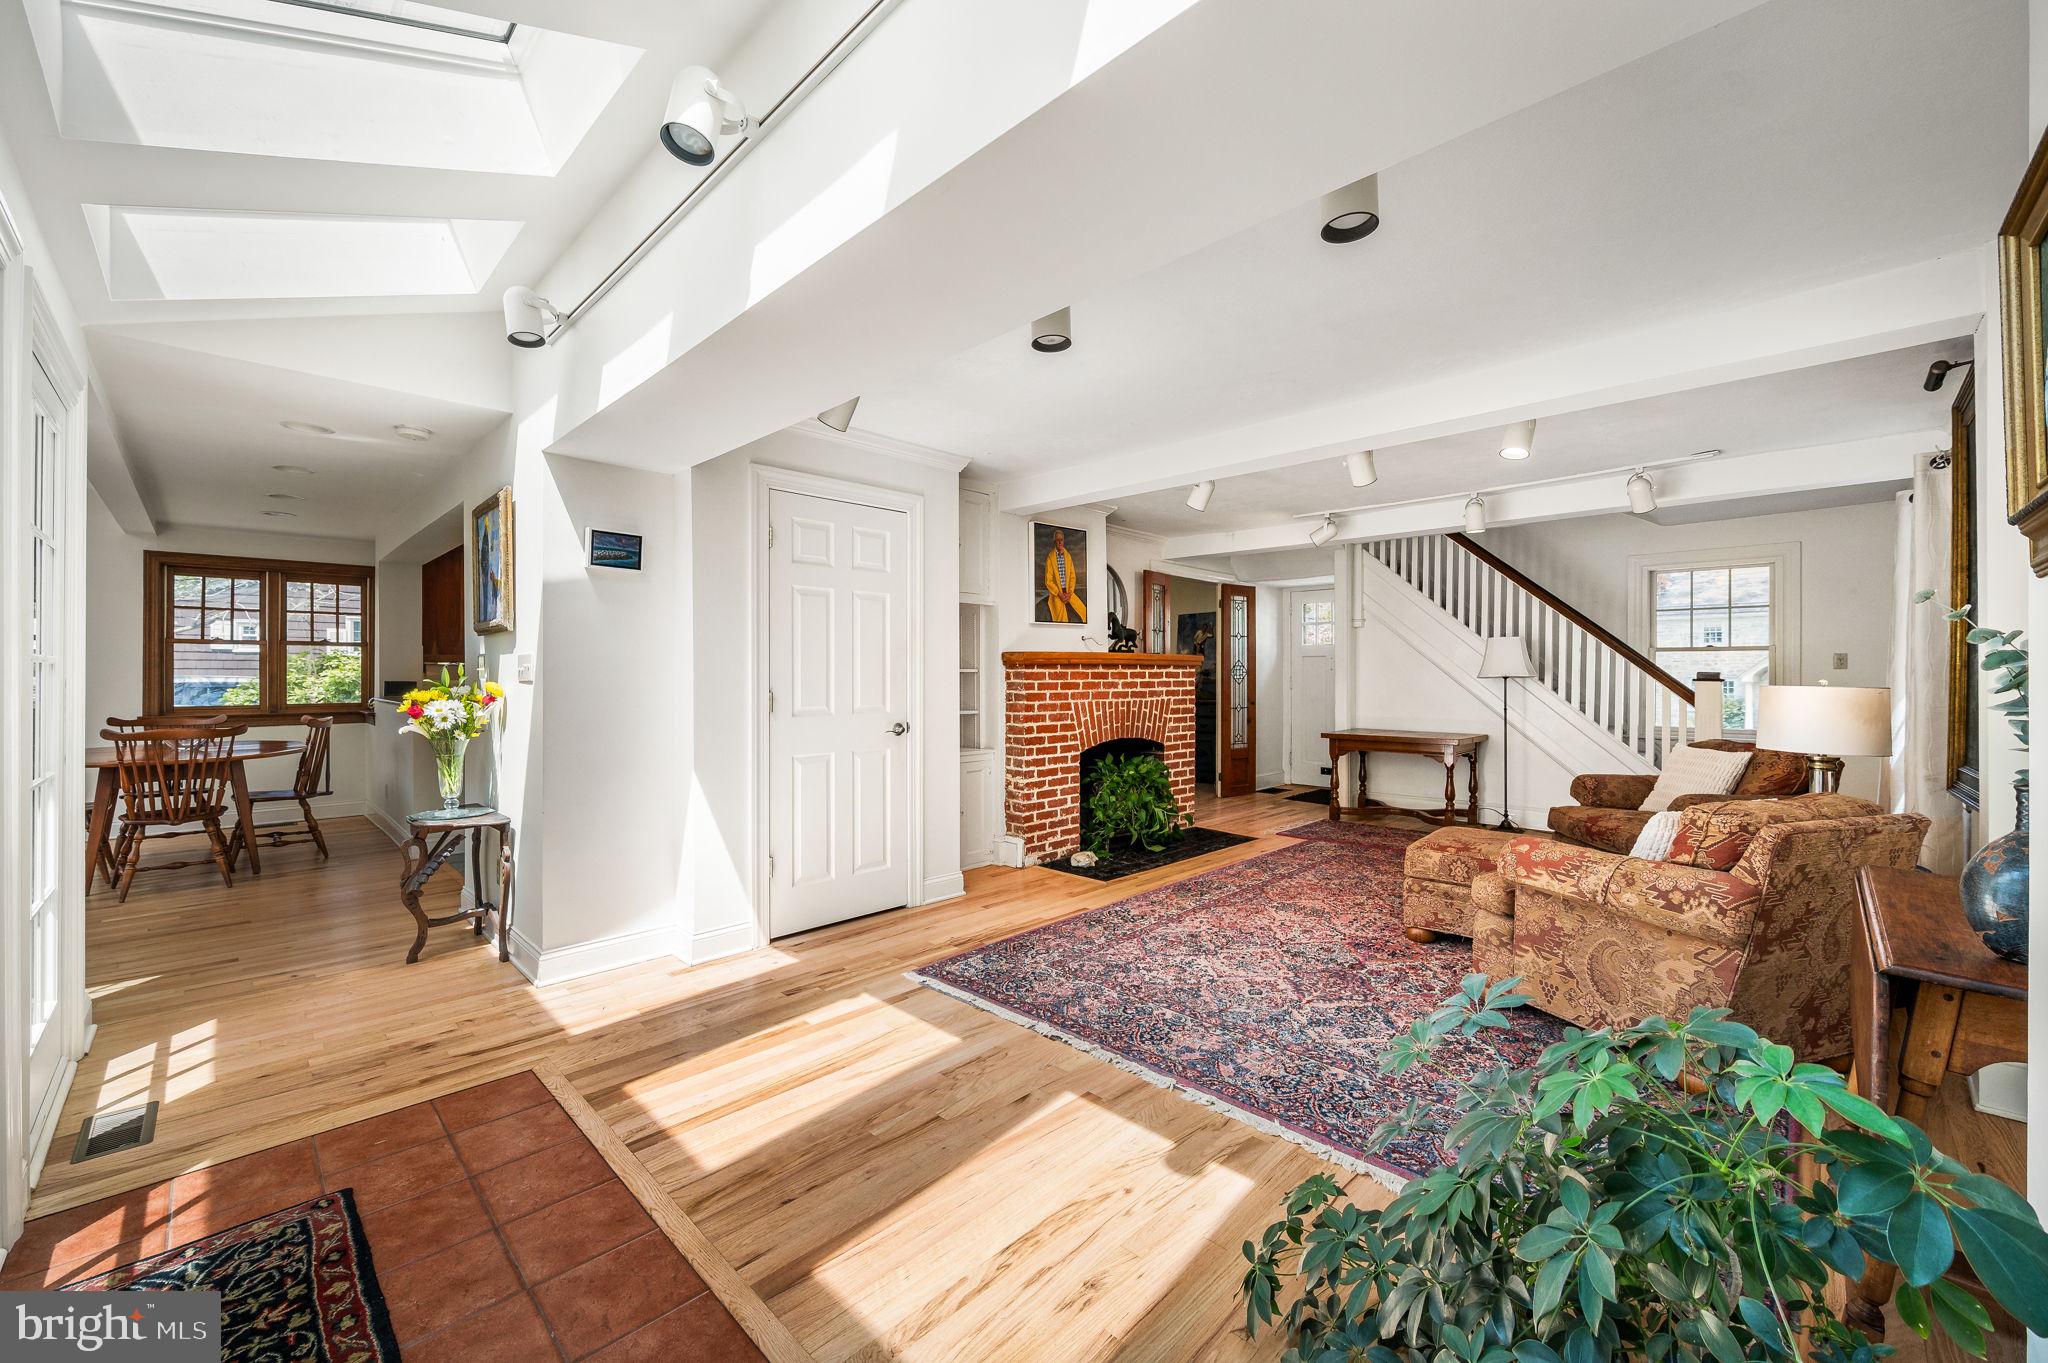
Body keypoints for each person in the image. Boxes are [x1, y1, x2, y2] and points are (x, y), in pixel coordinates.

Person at [1042, 528, 1085, 622]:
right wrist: (1059, 594)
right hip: (1057, 593)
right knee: (1060, 618)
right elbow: (1048, 581)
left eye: (1061, 540)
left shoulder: (1068, 556)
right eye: (1057, 540)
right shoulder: (1050, 558)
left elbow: (1073, 577)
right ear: (1054, 542)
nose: (1059, 542)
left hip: (1068, 592)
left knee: (1083, 611)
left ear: (1063, 541)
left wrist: (1070, 593)